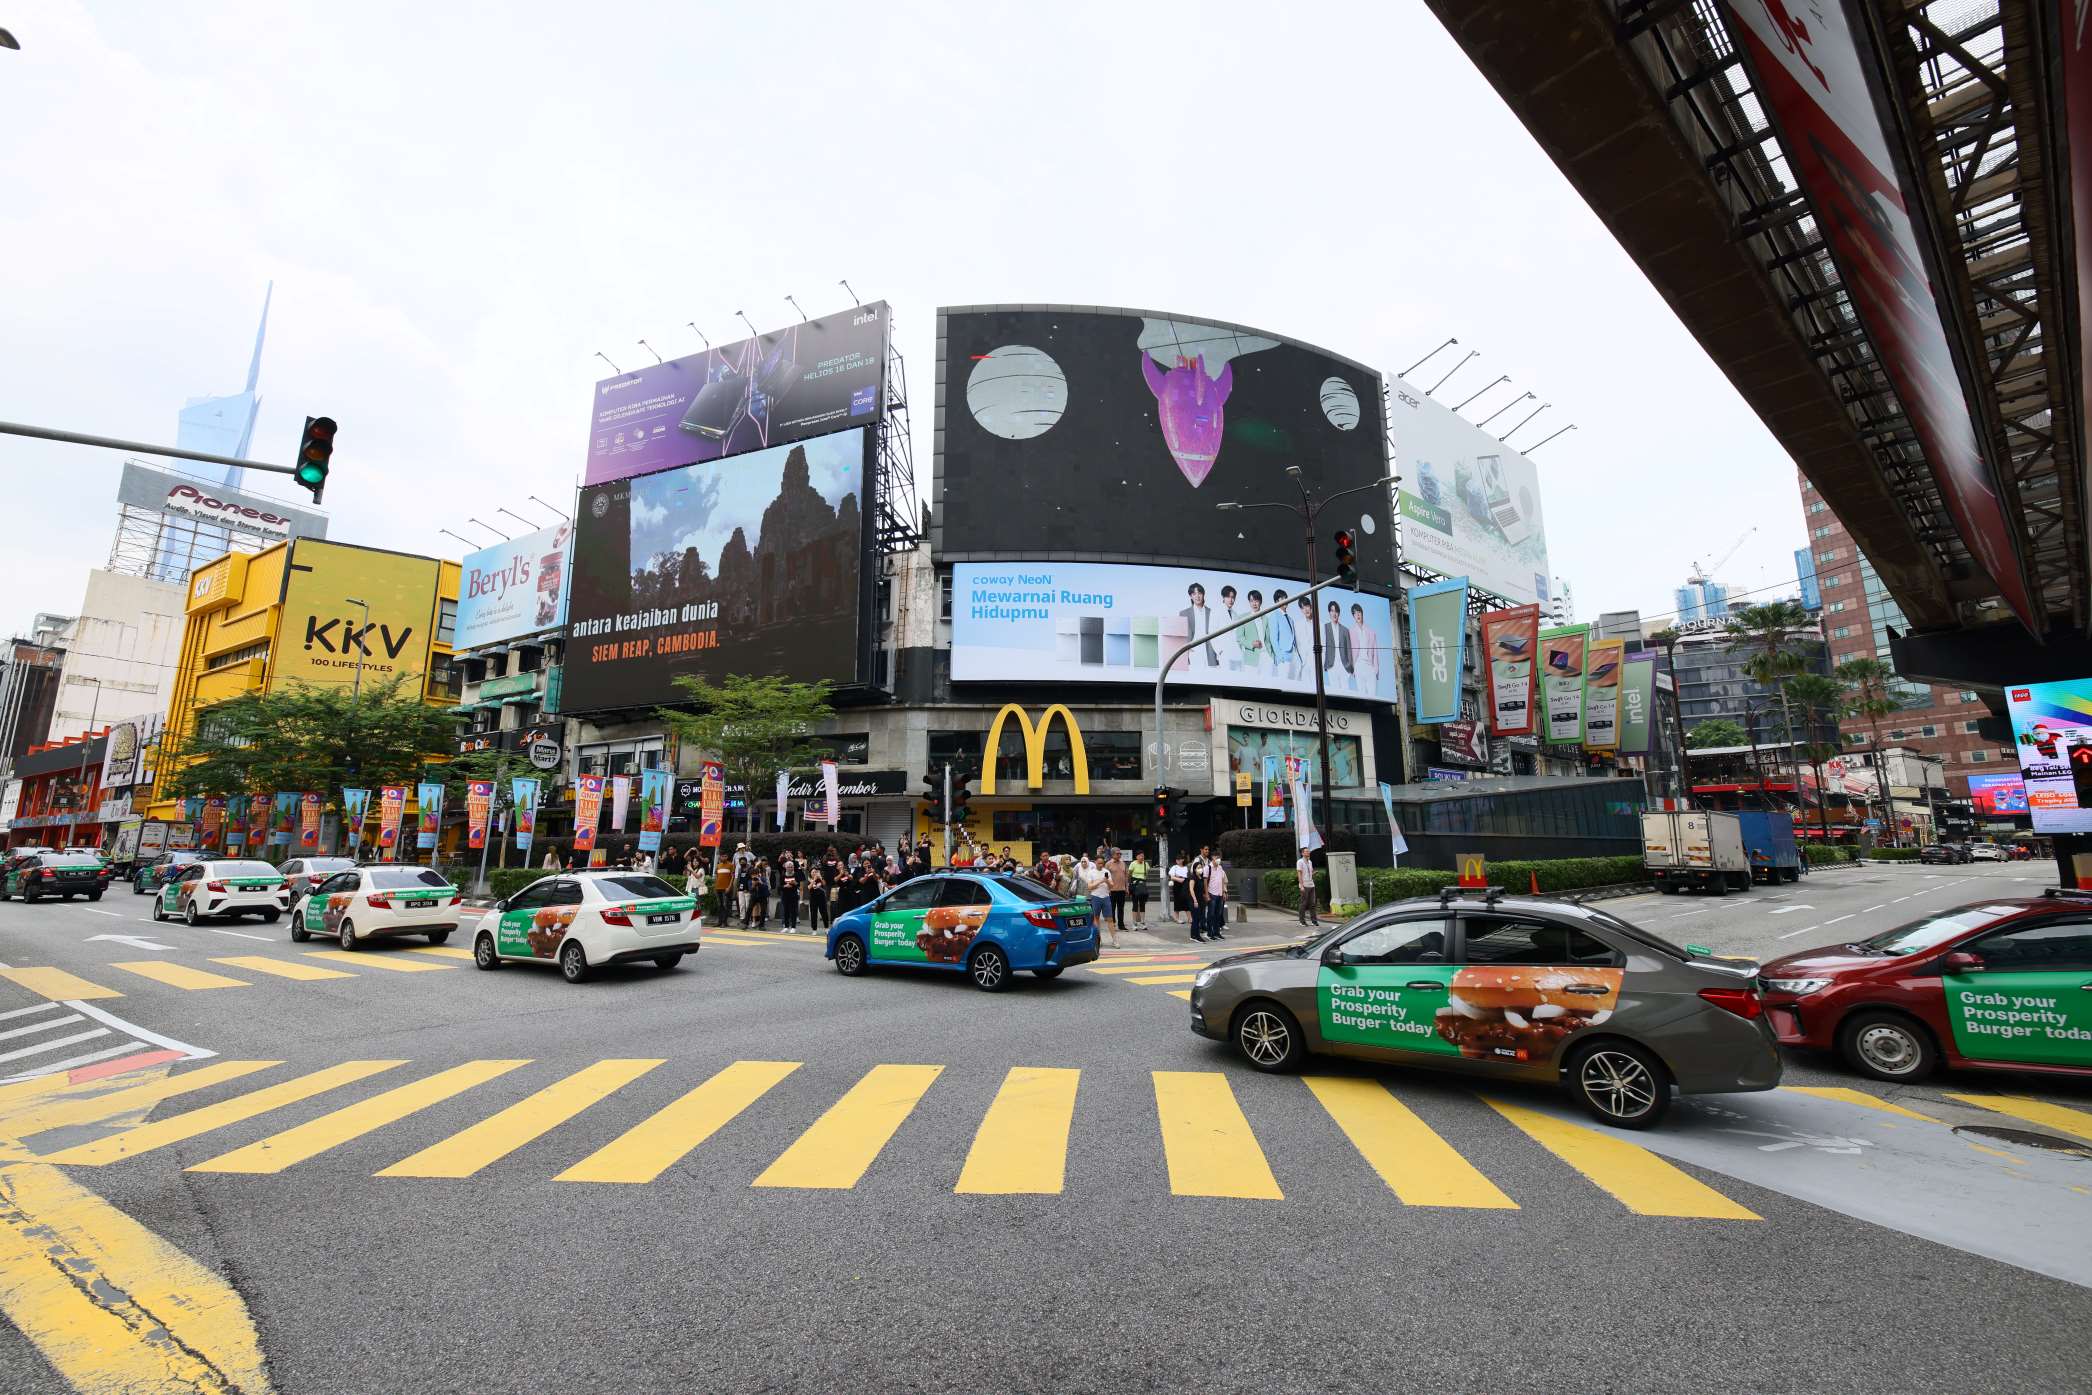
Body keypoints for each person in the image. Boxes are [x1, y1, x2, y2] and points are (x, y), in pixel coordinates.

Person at [1179, 582, 1218, 667]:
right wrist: (1186, 650)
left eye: (1199, 593)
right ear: (1190, 596)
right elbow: (1181, 636)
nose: (1197, 596)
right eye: (1194, 594)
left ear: (1203, 594)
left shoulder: (1211, 612)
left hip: (1209, 652)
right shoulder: (1184, 613)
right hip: (1193, 652)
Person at [1324, 600, 1356, 692]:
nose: (1334, 614)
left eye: (1336, 611)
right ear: (1329, 612)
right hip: (1331, 665)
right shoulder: (1324, 627)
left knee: (1346, 691)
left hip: (1344, 666)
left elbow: (1349, 650)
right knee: (1335, 691)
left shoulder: (1345, 630)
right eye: (1332, 611)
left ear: (1339, 613)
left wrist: (1350, 667)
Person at [1269, 588, 1300, 682]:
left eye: (1286, 598)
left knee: (1294, 683)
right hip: (1283, 658)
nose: (1285, 600)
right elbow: (1273, 639)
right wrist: (1280, 657)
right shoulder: (1274, 615)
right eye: (1282, 598)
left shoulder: (1290, 619)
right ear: (1276, 601)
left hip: (1294, 657)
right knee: (1284, 682)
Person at [1347, 602, 1377, 695]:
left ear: (1362, 613)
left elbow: (1375, 652)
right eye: (1355, 613)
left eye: (1359, 612)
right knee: (1362, 695)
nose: (1358, 615)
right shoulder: (1351, 632)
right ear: (1353, 616)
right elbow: (1349, 652)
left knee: (1372, 695)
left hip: (1369, 666)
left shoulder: (1371, 632)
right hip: (1358, 666)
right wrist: (1352, 669)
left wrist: (1375, 669)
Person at [1204, 854, 1229, 941]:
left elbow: (1222, 880)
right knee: (1211, 914)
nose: (1218, 860)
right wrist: (1206, 894)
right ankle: (1209, 933)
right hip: (1211, 893)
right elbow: (1205, 881)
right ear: (1213, 858)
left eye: (1219, 858)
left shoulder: (1220, 868)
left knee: (1218, 914)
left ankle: (1217, 932)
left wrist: (1223, 892)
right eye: (1217, 858)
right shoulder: (1208, 868)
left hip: (1219, 894)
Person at [1105, 850, 1130, 936]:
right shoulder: (1108, 864)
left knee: (1121, 908)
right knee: (1112, 908)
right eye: (1117, 854)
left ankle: (1121, 925)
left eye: (1120, 853)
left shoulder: (1123, 863)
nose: (1119, 855)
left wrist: (1127, 887)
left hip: (1122, 890)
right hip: (1111, 890)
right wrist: (1107, 888)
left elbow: (1126, 876)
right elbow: (1105, 877)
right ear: (1112, 854)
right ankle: (1113, 925)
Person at [1296, 847, 1322, 928]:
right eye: (1306, 851)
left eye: (1308, 851)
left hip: (1311, 885)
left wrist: (1314, 873)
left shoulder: (1310, 862)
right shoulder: (1300, 862)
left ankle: (1314, 921)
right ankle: (1302, 921)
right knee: (1303, 904)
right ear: (1302, 853)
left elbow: (1309, 873)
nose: (1308, 853)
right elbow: (1299, 874)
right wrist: (1301, 885)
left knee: (1312, 904)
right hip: (1304, 885)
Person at [747, 860, 771, 929]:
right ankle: (745, 923)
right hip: (754, 896)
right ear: (751, 875)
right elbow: (750, 890)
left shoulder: (762, 878)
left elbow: (766, 887)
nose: (754, 876)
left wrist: (760, 882)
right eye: (753, 875)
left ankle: (761, 925)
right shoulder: (750, 881)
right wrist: (753, 885)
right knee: (749, 908)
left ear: (758, 874)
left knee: (763, 910)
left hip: (763, 896)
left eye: (756, 874)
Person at [1168, 853, 1191, 926]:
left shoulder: (1186, 867)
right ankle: (1177, 918)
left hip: (1185, 884)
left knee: (1186, 900)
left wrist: (1183, 879)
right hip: (1177, 885)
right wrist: (1179, 879)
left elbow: (1188, 876)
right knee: (1177, 901)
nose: (1177, 861)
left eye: (1179, 859)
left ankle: (1190, 918)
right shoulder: (1174, 867)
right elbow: (1172, 877)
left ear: (1182, 860)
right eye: (1177, 859)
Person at [779, 857, 800, 931]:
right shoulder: (783, 875)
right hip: (785, 895)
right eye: (788, 867)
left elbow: (798, 885)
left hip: (794, 895)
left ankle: (793, 927)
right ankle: (786, 926)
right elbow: (780, 887)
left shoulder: (796, 874)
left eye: (791, 867)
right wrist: (785, 886)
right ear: (786, 867)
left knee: (793, 911)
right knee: (786, 911)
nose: (790, 868)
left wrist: (795, 883)